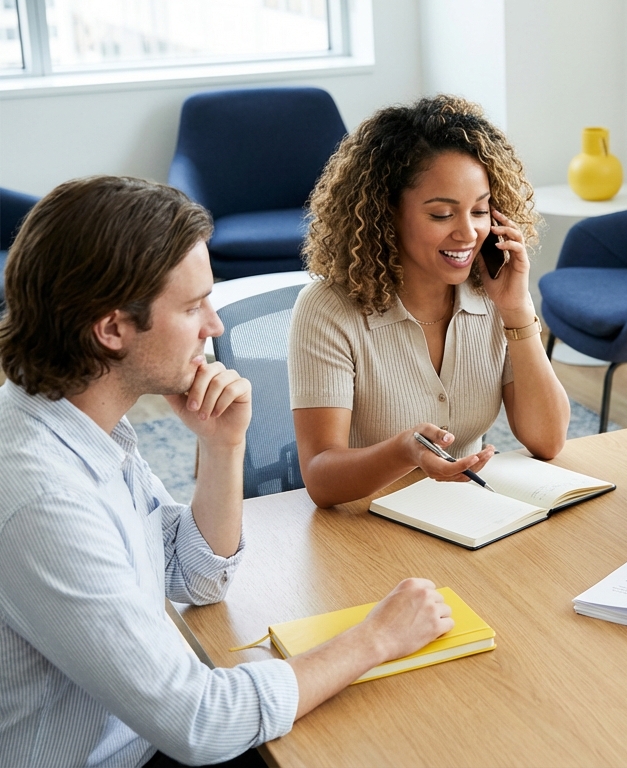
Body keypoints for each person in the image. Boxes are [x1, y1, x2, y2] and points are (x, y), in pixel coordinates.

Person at [0, 176, 456, 766]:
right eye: (192, 308)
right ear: (112, 329)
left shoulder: (82, 420)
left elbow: (193, 576)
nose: (214, 326)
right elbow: (200, 723)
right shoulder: (44, 498)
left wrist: (222, 447)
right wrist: (376, 638)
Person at [290, 95, 570, 508]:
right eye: (442, 215)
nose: (468, 234)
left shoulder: (493, 294)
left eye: (479, 211)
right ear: (388, 213)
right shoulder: (328, 310)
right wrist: (405, 451)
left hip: (467, 516)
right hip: (365, 527)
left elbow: (547, 441)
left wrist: (516, 310)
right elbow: (321, 479)